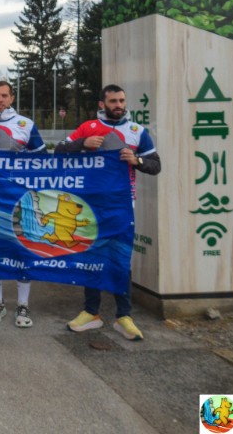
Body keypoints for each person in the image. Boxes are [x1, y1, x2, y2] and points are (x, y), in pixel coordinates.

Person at [55, 84, 161, 341]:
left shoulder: (137, 132)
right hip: (90, 205)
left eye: (122, 100)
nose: (118, 105)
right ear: (102, 103)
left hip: (123, 205)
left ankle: (124, 315)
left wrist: (136, 161)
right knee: (91, 254)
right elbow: (58, 151)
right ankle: (91, 312)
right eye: (113, 101)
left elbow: (156, 165)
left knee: (120, 257)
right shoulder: (88, 127)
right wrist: (82, 143)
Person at [0, 80, 46, 327]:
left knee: (22, 250)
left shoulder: (26, 125)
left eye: (5, 95)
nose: (0, 100)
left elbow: (43, 162)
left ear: (12, 98)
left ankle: (23, 305)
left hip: (20, 199)